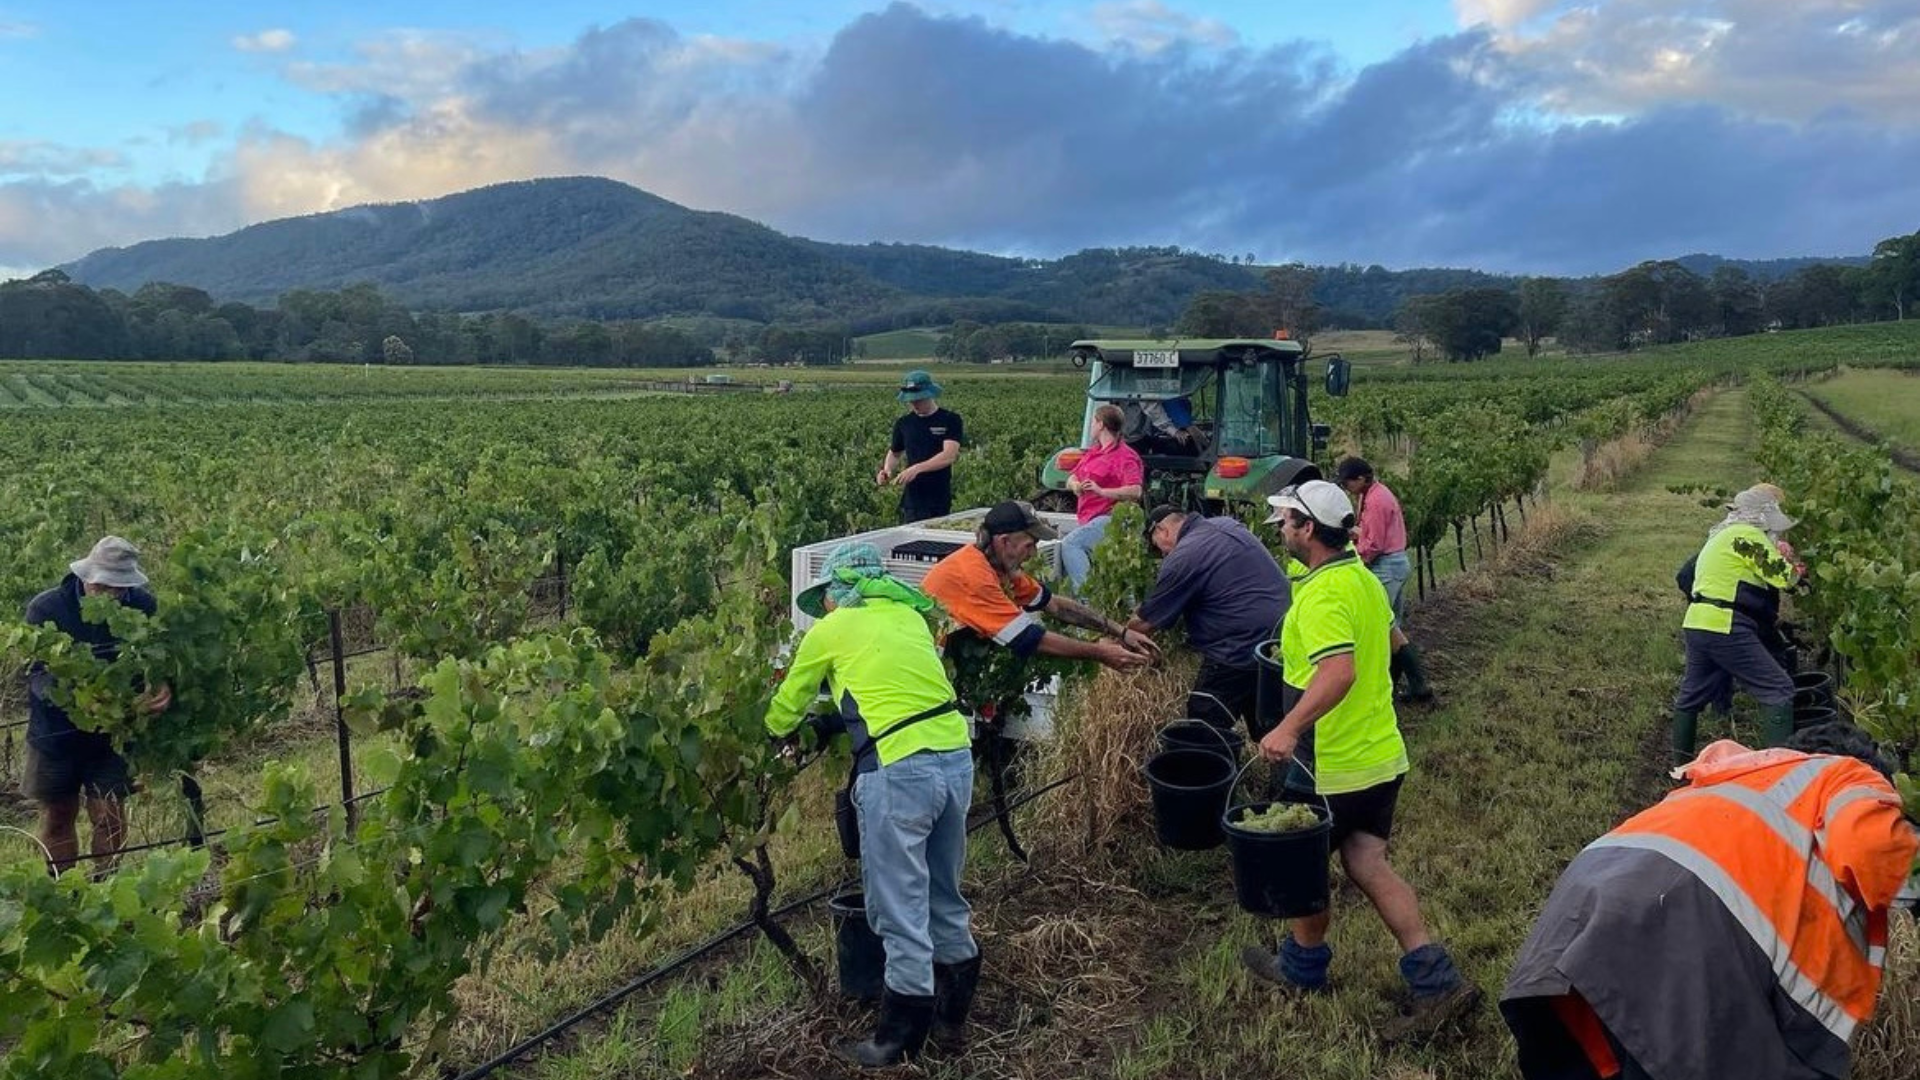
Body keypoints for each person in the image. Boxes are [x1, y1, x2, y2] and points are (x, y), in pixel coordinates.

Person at [1501, 722, 1919, 1080]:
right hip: (1680, 944)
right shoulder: (1847, 775)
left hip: (1572, 923)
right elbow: (1868, 848)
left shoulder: (1729, 776)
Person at [1240, 481, 1480, 1039]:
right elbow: (1392, 643)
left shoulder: (1324, 596)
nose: (1279, 530)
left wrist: (1287, 727)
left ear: (1307, 529)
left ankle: (1301, 972)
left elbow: (1339, 671)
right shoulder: (1361, 580)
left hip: (1331, 765)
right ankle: (1437, 980)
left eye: (1285, 522)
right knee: (1367, 861)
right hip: (1380, 758)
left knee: (1302, 871)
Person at [766, 543, 980, 1066]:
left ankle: (896, 1041)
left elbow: (783, 710)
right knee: (943, 893)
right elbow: (894, 693)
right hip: (954, 759)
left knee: (899, 906)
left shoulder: (830, 630)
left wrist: (774, 739)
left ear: (838, 593)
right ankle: (951, 1022)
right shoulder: (909, 616)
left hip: (899, 773)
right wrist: (835, 722)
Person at [24, 536, 172, 875]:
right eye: (102, 586)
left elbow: (156, 658)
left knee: (109, 815)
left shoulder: (144, 606)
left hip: (113, 735)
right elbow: (36, 677)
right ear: (86, 576)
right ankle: (64, 890)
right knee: (59, 813)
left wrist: (162, 685)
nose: (110, 595)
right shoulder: (47, 609)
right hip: (56, 736)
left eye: (118, 588)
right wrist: (80, 698)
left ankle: (107, 887)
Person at [921, 500, 1154, 673]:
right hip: (926, 665)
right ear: (1004, 542)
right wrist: (1100, 652)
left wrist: (1120, 631)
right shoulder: (974, 576)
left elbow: (1055, 606)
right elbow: (1029, 639)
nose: (1033, 554)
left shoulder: (1002, 569)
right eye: (1030, 545)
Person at [1125, 505, 1288, 741]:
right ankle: (1282, 774)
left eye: (1157, 546)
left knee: (1203, 723)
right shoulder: (1226, 524)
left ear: (1162, 530)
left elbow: (1146, 623)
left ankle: (1212, 773)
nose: (1162, 555)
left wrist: (1117, 634)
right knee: (1270, 727)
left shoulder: (1185, 554)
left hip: (1238, 646)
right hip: (1278, 639)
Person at [1670, 483, 1802, 764]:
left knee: (1690, 697)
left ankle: (1678, 768)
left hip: (1697, 622)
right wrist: (1796, 568)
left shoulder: (1721, 535)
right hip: (1726, 625)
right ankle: (1778, 773)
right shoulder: (1747, 537)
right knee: (1779, 690)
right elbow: (1783, 578)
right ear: (1764, 518)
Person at [1336, 457, 1433, 702]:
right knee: (1391, 626)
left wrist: (1350, 558)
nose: (1346, 487)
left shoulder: (1377, 501)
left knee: (1380, 626)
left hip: (1386, 566)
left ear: (1361, 478)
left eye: (1348, 482)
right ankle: (1413, 686)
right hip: (1395, 563)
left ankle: (1393, 686)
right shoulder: (1372, 494)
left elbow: (1374, 545)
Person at [1059, 404, 1145, 590]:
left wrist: (1102, 491)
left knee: (1071, 544)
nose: (1091, 426)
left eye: (1093, 422)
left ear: (1101, 425)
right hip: (1090, 517)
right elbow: (1073, 476)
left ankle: (1086, 599)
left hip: (1111, 518)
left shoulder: (1126, 456)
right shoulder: (1093, 452)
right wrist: (1075, 486)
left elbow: (1135, 490)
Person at [878, 370, 963, 524]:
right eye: (911, 401)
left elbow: (949, 455)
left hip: (939, 497)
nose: (914, 404)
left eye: (918, 400)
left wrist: (917, 468)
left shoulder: (950, 420)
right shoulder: (904, 423)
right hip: (913, 501)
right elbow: (894, 453)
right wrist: (887, 470)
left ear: (929, 395)